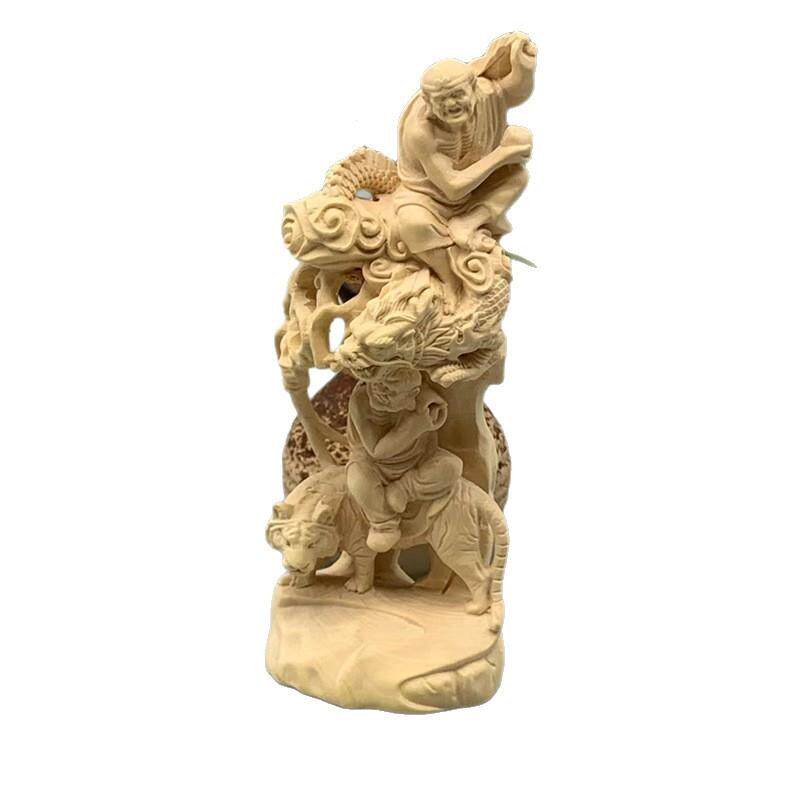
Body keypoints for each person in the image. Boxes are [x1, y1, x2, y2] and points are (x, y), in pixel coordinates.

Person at [346, 367, 462, 552]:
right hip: (374, 465)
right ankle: (383, 523)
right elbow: (377, 451)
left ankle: (404, 489)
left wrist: (430, 412)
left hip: (416, 460)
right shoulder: (361, 401)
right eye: (407, 398)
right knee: (357, 480)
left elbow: (436, 407)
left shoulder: (414, 390)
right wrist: (415, 426)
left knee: (451, 466)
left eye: (414, 394)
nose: (411, 404)